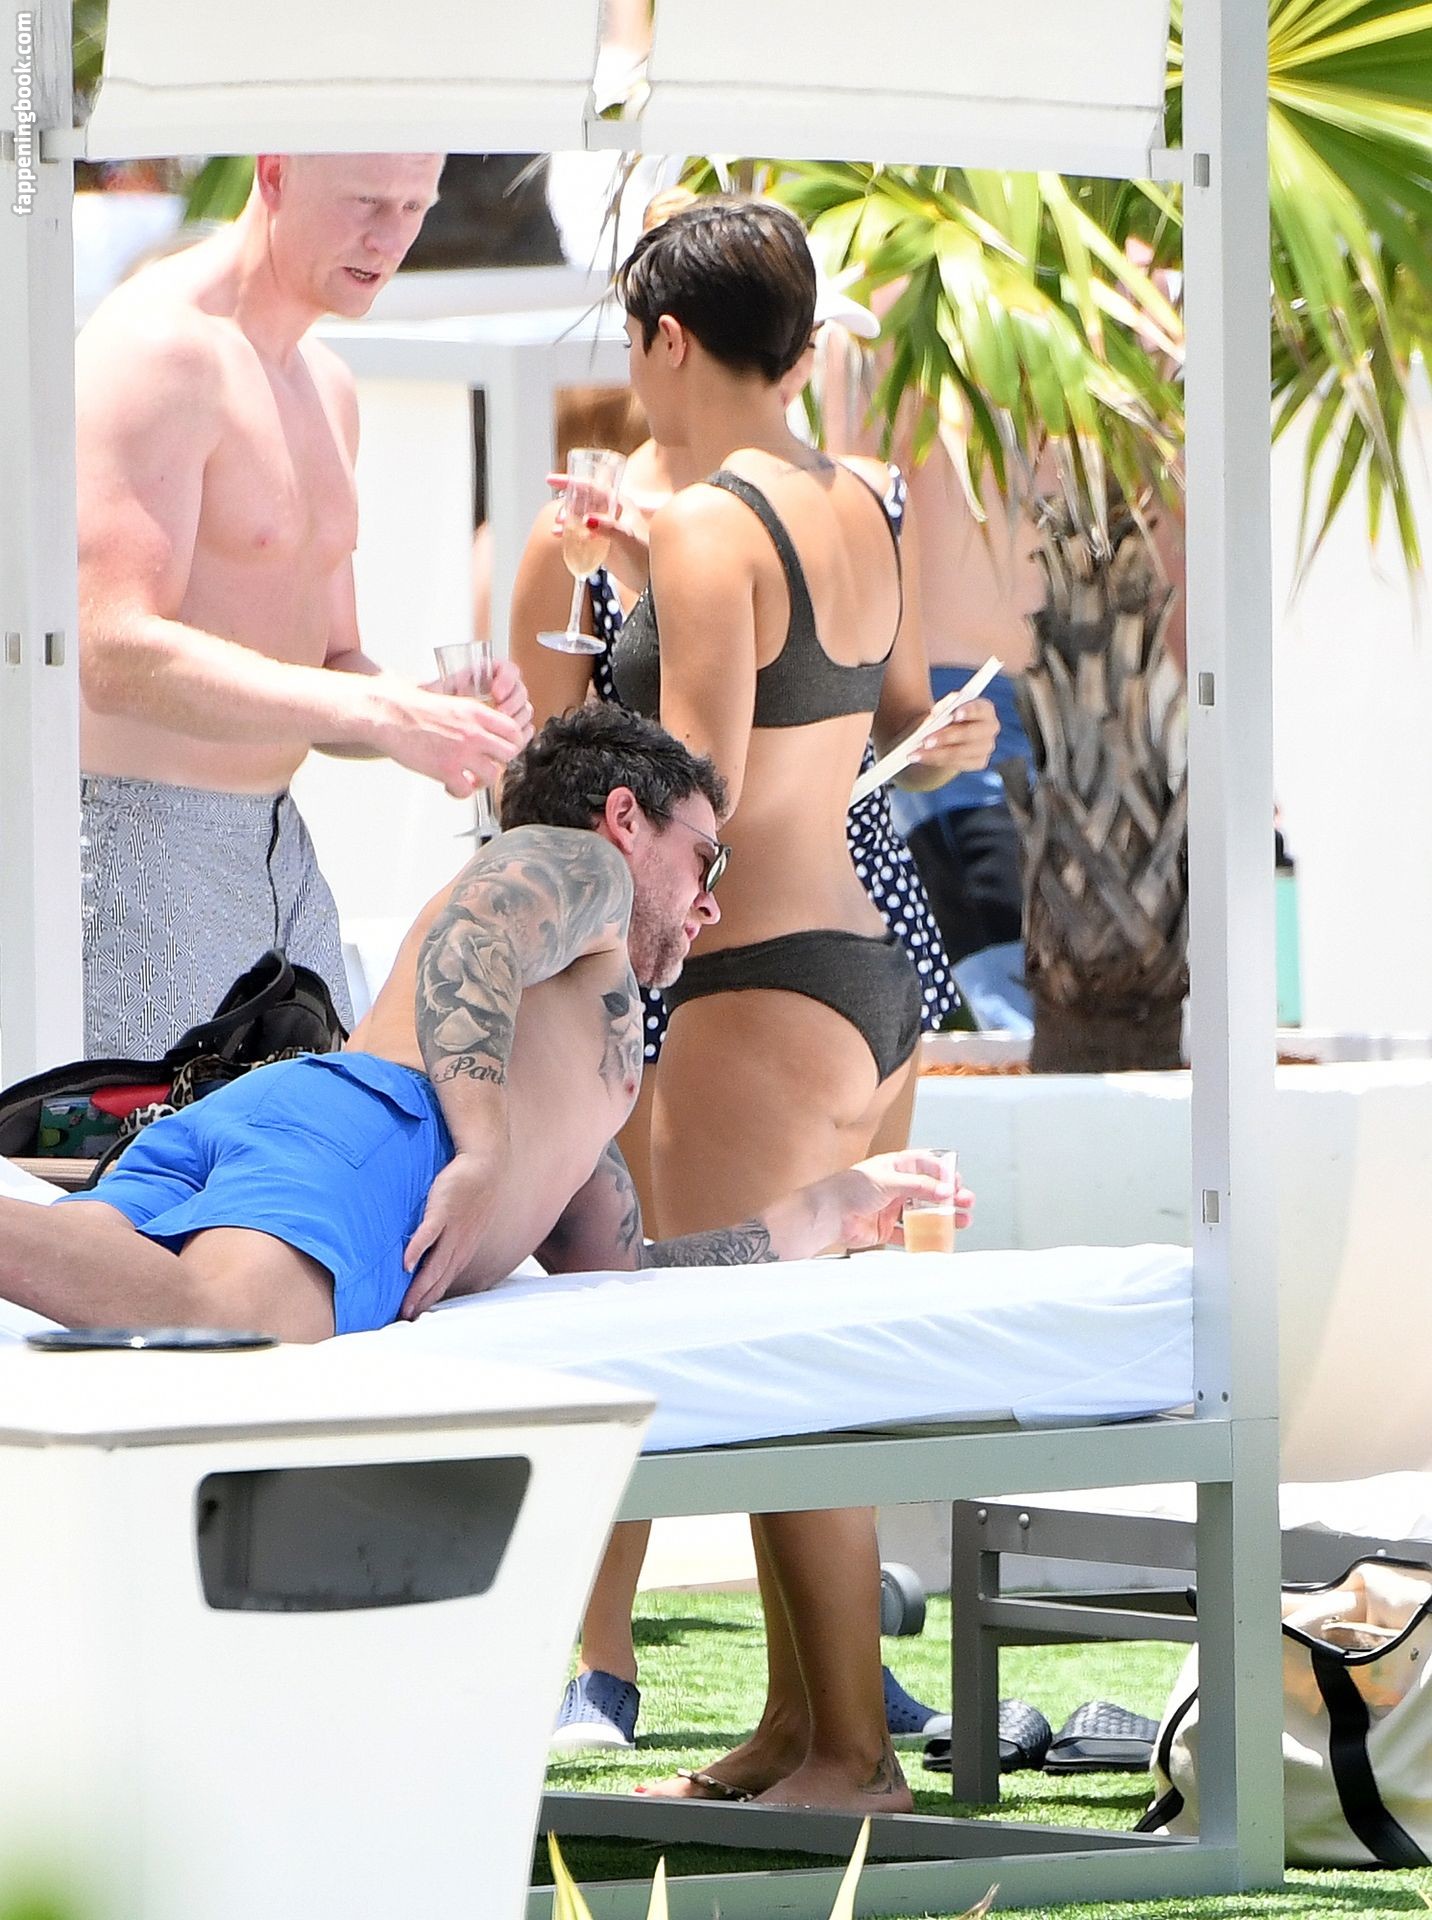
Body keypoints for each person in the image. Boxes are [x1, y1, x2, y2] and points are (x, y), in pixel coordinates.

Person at [512, 195, 996, 1757]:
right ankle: (796, 1727)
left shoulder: (710, 524)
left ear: (668, 339)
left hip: (756, 981)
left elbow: (694, 788)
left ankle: (853, 1757)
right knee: (803, 1344)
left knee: (763, 1356)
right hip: (870, 968)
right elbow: (854, 723)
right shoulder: (858, 498)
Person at [0, 707, 961, 1360]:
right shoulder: (586, 865)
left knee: (89, 1276)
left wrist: (830, 1209)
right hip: (391, 1120)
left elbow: (622, 1269)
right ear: (626, 819)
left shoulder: (572, 1065)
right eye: (706, 860)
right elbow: (481, 932)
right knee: (231, 1322)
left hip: (301, 1120)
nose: (710, 903)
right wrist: (482, 1153)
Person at [75, 151, 534, 1060]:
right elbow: (111, 649)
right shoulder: (159, 347)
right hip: (141, 845)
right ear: (276, 172)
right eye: (366, 201)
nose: (390, 237)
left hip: (283, 851)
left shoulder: (328, 385)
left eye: (415, 206)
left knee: (321, 1145)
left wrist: (422, 713)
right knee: (150, 1155)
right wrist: (378, 709)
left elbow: (329, 665)